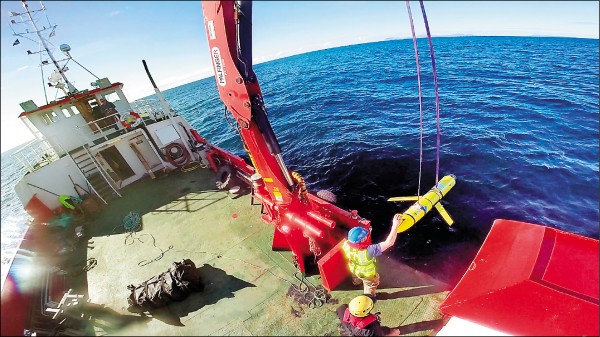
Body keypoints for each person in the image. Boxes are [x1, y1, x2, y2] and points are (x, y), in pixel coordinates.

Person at [342, 214, 401, 298]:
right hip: (367, 275)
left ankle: (356, 281)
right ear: (362, 240)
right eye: (365, 236)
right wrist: (395, 225)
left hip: (354, 269)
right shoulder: (369, 251)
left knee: (357, 277)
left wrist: (368, 232)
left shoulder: (346, 244)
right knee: (370, 285)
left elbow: (355, 240)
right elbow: (389, 242)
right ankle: (370, 297)